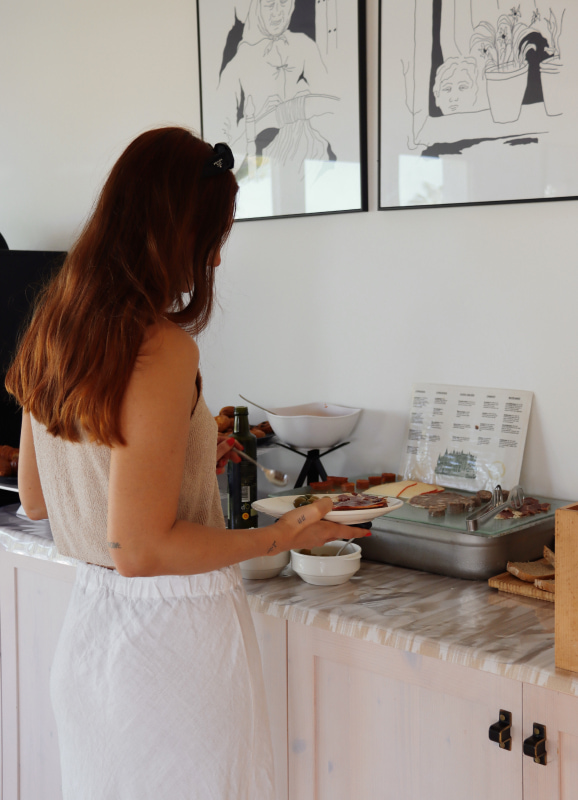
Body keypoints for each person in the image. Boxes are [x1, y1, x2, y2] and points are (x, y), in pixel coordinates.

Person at [5, 126, 352, 799]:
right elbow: (141, 549)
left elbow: (38, 498)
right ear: (177, 233)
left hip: (91, 643)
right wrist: (287, 534)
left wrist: (185, 460)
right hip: (171, 647)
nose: (217, 259)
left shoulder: (54, 326)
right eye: (214, 235)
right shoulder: (159, 347)